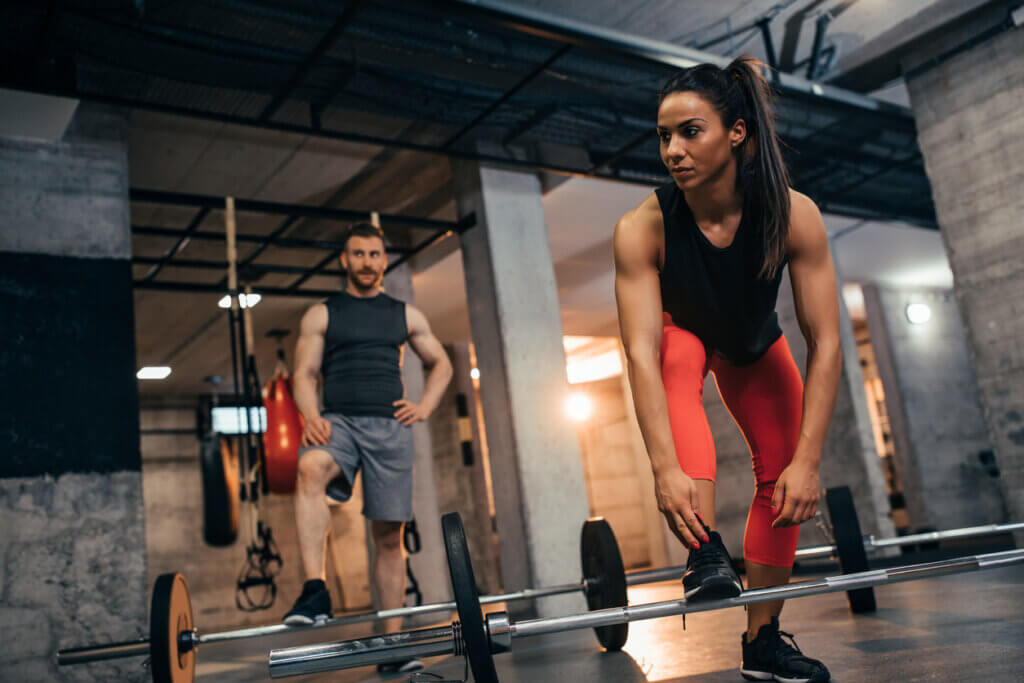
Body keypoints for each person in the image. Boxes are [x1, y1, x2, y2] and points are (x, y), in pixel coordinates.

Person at [614, 56, 840, 683]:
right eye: (664, 135)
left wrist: (809, 460)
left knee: (785, 477)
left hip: (751, 345)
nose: (672, 151)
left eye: (690, 131)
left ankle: (762, 640)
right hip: (681, 336)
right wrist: (663, 469)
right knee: (674, 352)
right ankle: (704, 549)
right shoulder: (643, 227)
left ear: (736, 133)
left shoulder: (794, 214)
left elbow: (826, 343)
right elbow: (637, 352)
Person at [285, 221, 453, 678]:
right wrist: (309, 416)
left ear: (384, 260)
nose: (366, 262)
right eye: (357, 254)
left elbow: (442, 364)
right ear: (344, 259)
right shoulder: (322, 313)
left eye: (374, 254)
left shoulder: (405, 315)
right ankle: (316, 590)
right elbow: (303, 374)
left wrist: (424, 407)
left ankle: (392, 646)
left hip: (389, 427)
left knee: (388, 539)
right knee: (309, 469)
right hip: (337, 421)